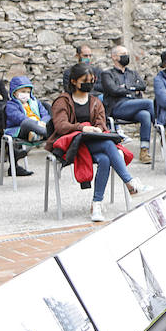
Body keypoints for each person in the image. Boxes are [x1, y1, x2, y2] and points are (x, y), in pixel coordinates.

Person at [51, 62, 148, 222]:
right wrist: (83, 128)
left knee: (105, 158)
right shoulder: (62, 101)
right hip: (73, 144)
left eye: (91, 80)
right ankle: (130, 182)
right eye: (85, 80)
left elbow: (101, 124)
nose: (89, 83)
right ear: (74, 81)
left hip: (93, 142)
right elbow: (61, 126)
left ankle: (96, 203)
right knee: (109, 146)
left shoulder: (95, 101)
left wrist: (96, 129)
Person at [101, 44, 156, 164]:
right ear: (114, 57)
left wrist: (125, 87)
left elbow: (142, 86)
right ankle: (163, 130)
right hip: (117, 107)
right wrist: (132, 89)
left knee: (145, 115)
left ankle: (144, 150)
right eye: (123, 55)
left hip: (133, 105)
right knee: (148, 103)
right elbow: (113, 90)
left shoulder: (132, 73)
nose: (126, 57)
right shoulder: (107, 74)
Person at [2, 75, 48, 176]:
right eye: (22, 92)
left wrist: (43, 122)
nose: (26, 94)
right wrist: (36, 123)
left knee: (51, 116)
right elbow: (18, 118)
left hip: (39, 126)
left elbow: (45, 114)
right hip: (19, 129)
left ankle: (37, 134)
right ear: (14, 92)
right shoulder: (11, 105)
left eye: (28, 92)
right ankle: (46, 134)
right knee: (27, 123)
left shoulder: (35, 102)